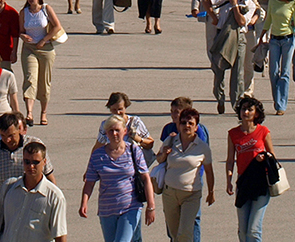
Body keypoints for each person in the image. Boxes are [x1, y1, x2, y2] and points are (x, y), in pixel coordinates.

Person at [0, 113, 56, 241]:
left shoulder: (34, 146)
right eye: (3, 136)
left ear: (20, 129)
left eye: (11, 135)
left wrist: (53, 205)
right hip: (3, 211)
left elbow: (50, 178)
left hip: (32, 210)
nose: (7, 140)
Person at [81, 113, 156, 242]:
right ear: (106, 133)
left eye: (117, 130)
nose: (114, 134)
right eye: (111, 131)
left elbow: (146, 178)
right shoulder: (98, 155)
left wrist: (151, 206)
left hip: (130, 206)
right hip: (107, 209)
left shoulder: (133, 150)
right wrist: (84, 203)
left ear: (125, 131)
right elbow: (90, 182)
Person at [155, 107, 214, 242]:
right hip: (170, 194)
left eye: (190, 123)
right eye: (183, 122)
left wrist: (211, 192)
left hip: (191, 194)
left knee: (185, 233)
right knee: (174, 234)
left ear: (196, 127)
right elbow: (158, 159)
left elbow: (209, 171)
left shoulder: (202, 147)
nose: (186, 126)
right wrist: (164, 154)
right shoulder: (170, 141)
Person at [0, 141, 68, 242]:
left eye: (36, 162)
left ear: (44, 162)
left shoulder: (54, 196)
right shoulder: (8, 187)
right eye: (27, 162)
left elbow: (60, 236)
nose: (31, 166)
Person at [226, 97, 276, 242]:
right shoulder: (233, 134)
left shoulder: (263, 131)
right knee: (243, 231)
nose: (246, 112)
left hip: (260, 183)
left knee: (253, 230)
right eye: (243, 109)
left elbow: (272, 156)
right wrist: (228, 180)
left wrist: (263, 157)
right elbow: (230, 160)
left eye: (250, 109)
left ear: (257, 114)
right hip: (243, 182)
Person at [20, 0, 63, 127]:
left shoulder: (46, 9)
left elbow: (57, 26)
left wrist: (44, 40)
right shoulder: (24, 12)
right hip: (29, 49)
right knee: (30, 79)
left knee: (44, 82)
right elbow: (20, 30)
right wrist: (23, 36)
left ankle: (43, 112)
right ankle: (29, 113)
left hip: (45, 49)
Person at [260, 0, 295, 115]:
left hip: (288, 40)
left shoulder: (293, 4)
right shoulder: (273, 1)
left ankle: (281, 105)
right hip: (274, 39)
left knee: (284, 72)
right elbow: (268, 19)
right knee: (273, 72)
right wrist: (262, 35)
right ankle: (277, 99)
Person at [206, 0, 250, 115]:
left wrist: (236, 6)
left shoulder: (249, 4)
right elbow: (207, 2)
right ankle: (220, 98)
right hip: (223, 35)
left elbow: (242, 21)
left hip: (239, 38)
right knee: (219, 69)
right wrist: (213, 16)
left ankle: (237, 104)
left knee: (238, 72)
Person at [92, 92, 156, 156]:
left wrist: (137, 138)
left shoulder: (135, 122)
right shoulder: (105, 125)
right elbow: (98, 147)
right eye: (114, 110)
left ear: (125, 107)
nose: (118, 112)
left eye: (120, 109)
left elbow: (150, 143)